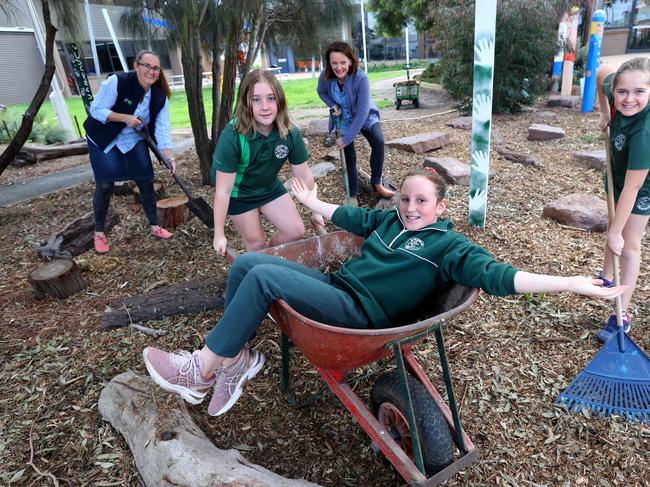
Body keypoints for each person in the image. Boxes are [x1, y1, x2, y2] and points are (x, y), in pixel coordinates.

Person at [142, 168, 626, 417]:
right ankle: (235, 358)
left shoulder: (449, 247)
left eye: (422, 201)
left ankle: (201, 370)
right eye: (406, 198)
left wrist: (570, 283)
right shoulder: (391, 219)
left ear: (440, 205)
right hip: (337, 289)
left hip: (360, 317)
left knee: (266, 276)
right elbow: (351, 219)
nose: (411, 207)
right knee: (249, 260)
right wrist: (312, 202)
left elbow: (502, 276)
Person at [211, 69, 324, 254]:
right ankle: (261, 261)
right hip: (240, 194)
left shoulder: (289, 133)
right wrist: (219, 234)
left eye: (271, 98)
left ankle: (268, 256)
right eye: (256, 99)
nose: (265, 106)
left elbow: (304, 175)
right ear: (246, 102)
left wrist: (316, 209)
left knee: (296, 232)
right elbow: (223, 191)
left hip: (268, 186)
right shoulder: (233, 136)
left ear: (279, 100)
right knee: (256, 245)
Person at [84, 50, 175, 254]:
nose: (151, 71)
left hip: (133, 139)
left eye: (156, 68)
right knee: (105, 185)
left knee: (146, 180)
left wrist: (169, 157)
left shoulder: (159, 96)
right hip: (103, 137)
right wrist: (125, 118)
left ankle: (155, 226)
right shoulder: (118, 81)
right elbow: (96, 110)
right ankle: (99, 233)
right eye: (146, 66)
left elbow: (162, 129)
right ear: (136, 65)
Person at [594, 57, 650, 343]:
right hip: (617, 172)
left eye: (640, 91)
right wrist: (605, 113)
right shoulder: (615, 90)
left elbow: (634, 186)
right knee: (614, 230)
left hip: (642, 186)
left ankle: (622, 314)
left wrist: (616, 232)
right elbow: (602, 70)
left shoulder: (645, 131)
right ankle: (607, 275)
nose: (629, 99)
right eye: (622, 92)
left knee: (628, 244)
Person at [317, 41, 395, 205]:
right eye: (334, 63)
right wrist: (333, 104)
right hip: (343, 118)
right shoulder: (325, 77)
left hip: (365, 117)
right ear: (329, 64)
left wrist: (347, 138)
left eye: (343, 62)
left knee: (378, 141)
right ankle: (353, 195)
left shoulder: (361, 77)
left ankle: (376, 183)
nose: (339, 67)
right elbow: (321, 92)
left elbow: (362, 112)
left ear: (351, 61)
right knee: (349, 157)